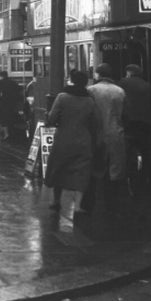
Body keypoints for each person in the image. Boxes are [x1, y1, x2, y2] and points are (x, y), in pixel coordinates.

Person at [44, 70, 97, 215]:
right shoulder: (90, 100)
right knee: (81, 172)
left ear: (71, 80)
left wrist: (48, 118)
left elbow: (52, 119)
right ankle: (78, 206)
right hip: (83, 140)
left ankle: (56, 201)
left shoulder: (62, 97)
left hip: (63, 138)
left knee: (59, 168)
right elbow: (94, 122)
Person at [84, 63, 127, 215]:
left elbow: (88, 113)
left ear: (98, 75)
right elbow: (124, 114)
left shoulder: (91, 90)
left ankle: (90, 203)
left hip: (96, 133)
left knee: (94, 168)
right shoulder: (120, 91)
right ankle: (112, 203)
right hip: (116, 131)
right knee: (115, 169)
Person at [119, 64, 151, 188]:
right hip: (145, 122)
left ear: (129, 73)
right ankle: (146, 176)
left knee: (127, 150)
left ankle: (129, 174)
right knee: (145, 150)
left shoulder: (122, 83)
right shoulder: (147, 85)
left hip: (129, 122)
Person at [0, 70, 21, 141]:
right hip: (12, 104)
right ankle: (12, 134)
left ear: (0, 76)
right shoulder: (13, 83)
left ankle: (6, 134)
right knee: (11, 118)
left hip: (3, 103)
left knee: (3, 119)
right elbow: (18, 92)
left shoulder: (0, 82)